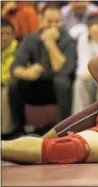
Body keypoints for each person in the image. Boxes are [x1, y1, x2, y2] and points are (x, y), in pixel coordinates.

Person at [8, 5, 76, 136]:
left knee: (62, 81)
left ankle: (62, 130)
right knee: (14, 83)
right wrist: (27, 72)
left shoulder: (68, 40)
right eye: (49, 21)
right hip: (36, 86)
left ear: (62, 21)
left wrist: (50, 44)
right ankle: (19, 131)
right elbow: (15, 67)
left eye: (57, 21)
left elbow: (63, 70)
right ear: (40, 20)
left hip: (59, 91)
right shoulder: (31, 39)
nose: (53, 26)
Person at [1, 18, 18, 137]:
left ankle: (6, 132)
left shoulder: (18, 49)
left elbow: (13, 71)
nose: (5, 37)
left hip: (10, 84)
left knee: (4, 93)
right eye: (1, 34)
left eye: (8, 34)